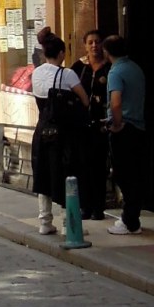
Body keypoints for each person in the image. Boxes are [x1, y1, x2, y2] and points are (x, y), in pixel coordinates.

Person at [30, 33, 88, 235]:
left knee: (42, 174)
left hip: (42, 129)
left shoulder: (36, 73)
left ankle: (44, 221)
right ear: (62, 53)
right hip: (64, 133)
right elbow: (85, 100)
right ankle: (67, 223)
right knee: (66, 173)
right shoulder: (68, 74)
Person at [104, 34, 147, 234]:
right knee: (135, 174)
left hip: (125, 127)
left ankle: (130, 221)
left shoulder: (116, 72)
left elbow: (116, 101)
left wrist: (117, 123)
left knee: (124, 175)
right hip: (139, 126)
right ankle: (131, 217)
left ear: (107, 52)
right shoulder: (135, 68)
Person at [69, 29, 111, 222]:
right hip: (81, 125)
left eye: (97, 42)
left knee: (99, 167)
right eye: (91, 42)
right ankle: (85, 206)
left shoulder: (109, 68)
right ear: (85, 45)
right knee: (82, 166)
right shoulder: (79, 67)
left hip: (102, 125)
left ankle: (98, 208)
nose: (94, 46)